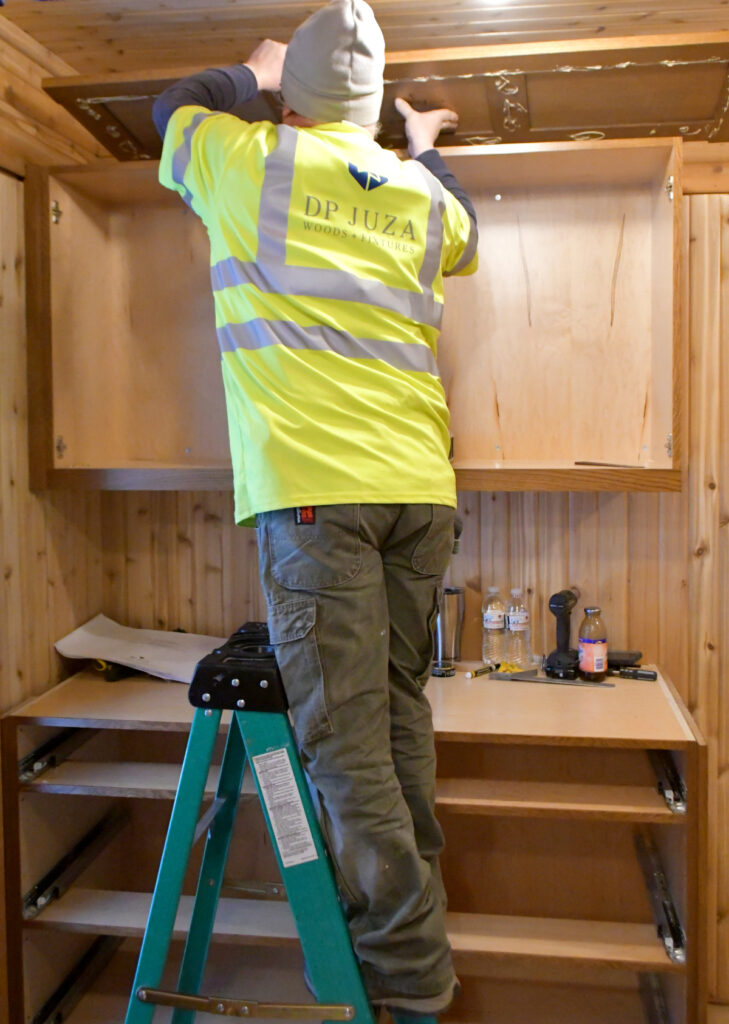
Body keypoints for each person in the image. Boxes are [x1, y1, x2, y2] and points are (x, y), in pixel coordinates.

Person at [153, 2, 478, 1019]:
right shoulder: (420, 193)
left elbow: (171, 113)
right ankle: (412, 930)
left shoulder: (255, 163)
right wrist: (419, 145)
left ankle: (407, 979)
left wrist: (247, 75)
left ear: (292, 93)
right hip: (417, 490)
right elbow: (463, 228)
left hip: (317, 498)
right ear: (376, 103)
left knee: (343, 745)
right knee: (393, 719)